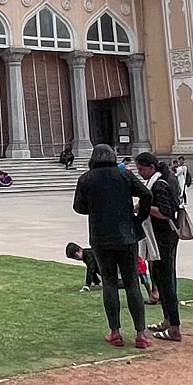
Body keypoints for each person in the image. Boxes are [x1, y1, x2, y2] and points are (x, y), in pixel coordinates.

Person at [72, 143, 154, 348]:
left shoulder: (86, 178)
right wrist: (138, 218)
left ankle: (115, 332)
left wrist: (96, 208)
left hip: (101, 237)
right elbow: (146, 194)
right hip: (126, 234)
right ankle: (140, 334)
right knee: (132, 282)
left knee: (109, 283)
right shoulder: (124, 175)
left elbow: (78, 207)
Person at [137, 151, 185, 342]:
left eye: (142, 169)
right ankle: (168, 320)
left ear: (151, 167)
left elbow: (167, 212)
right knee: (159, 277)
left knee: (166, 281)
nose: (140, 173)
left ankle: (174, 327)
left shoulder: (159, 185)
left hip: (164, 237)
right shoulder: (155, 183)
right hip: (158, 237)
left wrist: (144, 208)